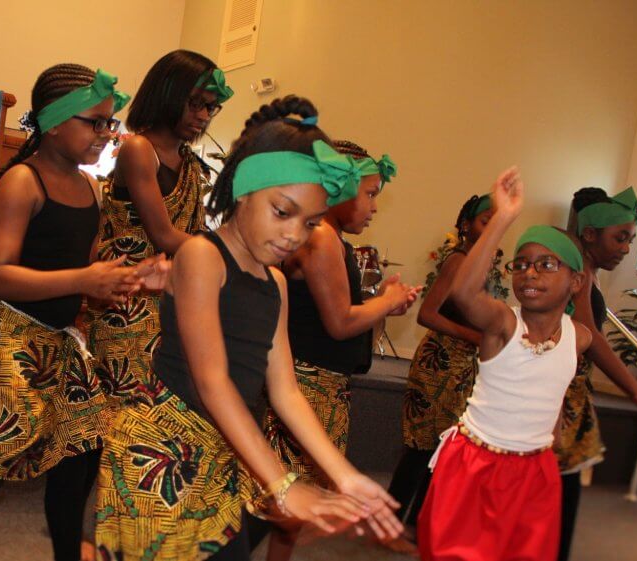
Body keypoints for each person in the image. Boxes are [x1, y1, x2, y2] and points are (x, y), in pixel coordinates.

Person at [95, 96, 403, 561]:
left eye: (310, 223)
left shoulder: (275, 283)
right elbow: (213, 382)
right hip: (162, 453)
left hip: (223, 453)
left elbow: (286, 392)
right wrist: (282, 484)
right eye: (283, 211)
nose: (294, 235)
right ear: (243, 191)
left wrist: (345, 474)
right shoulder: (202, 256)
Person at [0, 64, 149, 561]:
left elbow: (80, 265)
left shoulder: (89, 187)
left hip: (56, 339)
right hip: (4, 336)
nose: (104, 134)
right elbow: (0, 274)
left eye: (108, 123)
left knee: (83, 447)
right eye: (93, 122)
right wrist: (82, 280)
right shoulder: (22, 182)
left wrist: (112, 281)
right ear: (53, 123)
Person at [418, 168, 593, 561]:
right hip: (475, 465)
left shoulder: (579, 337)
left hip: (534, 472)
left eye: (548, 265)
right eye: (521, 264)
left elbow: (555, 390)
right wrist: (503, 217)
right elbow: (464, 293)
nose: (530, 272)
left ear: (576, 282)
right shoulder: (503, 324)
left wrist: (551, 440)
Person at [259, 138, 417, 560]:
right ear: (340, 188)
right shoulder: (324, 237)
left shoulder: (333, 239)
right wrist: (385, 302)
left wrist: (385, 301)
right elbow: (340, 322)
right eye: (369, 194)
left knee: (286, 511)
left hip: (323, 384)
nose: (373, 207)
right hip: (307, 384)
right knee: (279, 505)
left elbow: (349, 321)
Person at [87, 49, 229, 405]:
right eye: (194, 103)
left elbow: (193, 235)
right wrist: (228, 255)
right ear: (167, 95)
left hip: (170, 300)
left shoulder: (190, 163)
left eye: (210, 107)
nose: (202, 116)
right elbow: (164, 236)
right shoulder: (139, 149)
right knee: (128, 412)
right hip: (129, 303)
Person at [555, 186, 637, 561]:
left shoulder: (588, 272)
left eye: (631, 240)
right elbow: (593, 340)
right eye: (619, 238)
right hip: (557, 400)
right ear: (589, 235)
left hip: (570, 395)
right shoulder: (579, 271)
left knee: (562, 496)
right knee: (556, 499)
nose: (625, 248)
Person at [385, 194, 498, 540]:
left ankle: (419, 524)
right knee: (422, 450)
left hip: (462, 366)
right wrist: (475, 336)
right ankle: (388, 526)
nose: (491, 227)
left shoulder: (480, 262)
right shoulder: (458, 261)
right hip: (440, 364)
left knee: (444, 451)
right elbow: (427, 314)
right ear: (466, 225)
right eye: (484, 220)